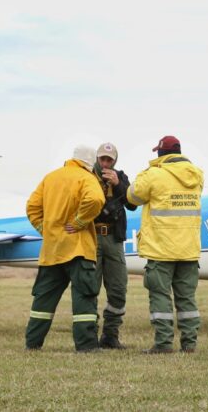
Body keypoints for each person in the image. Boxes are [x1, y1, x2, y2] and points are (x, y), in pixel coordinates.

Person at [127, 135, 204, 354]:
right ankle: (189, 344)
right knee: (187, 298)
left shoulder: (153, 175)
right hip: (189, 250)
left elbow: (132, 196)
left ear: (160, 154)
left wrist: (146, 172)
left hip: (161, 250)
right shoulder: (197, 175)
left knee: (160, 296)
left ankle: (163, 343)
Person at [24, 145, 105, 353]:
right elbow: (96, 199)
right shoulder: (86, 178)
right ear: (89, 163)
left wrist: (46, 229)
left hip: (52, 250)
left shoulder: (50, 177)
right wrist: (79, 222)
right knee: (84, 298)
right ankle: (86, 346)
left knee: (43, 299)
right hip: (78, 249)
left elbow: (32, 206)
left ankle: (33, 343)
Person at [66, 142, 137, 350]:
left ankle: (110, 335)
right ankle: (89, 337)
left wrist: (118, 185)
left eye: (109, 160)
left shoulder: (120, 176)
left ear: (115, 161)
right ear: (96, 159)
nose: (105, 163)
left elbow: (133, 204)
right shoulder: (86, 177)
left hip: (113, 240)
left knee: (118, 289)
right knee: (90, 287)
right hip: (91, 237)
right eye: (102, 159)